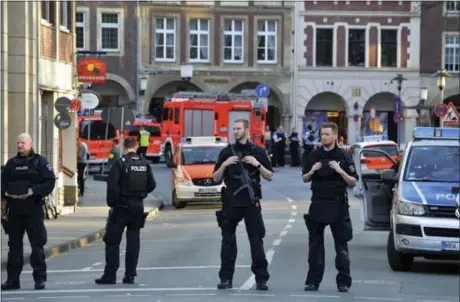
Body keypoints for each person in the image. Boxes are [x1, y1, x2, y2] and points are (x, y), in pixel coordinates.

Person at [214, 118, 274, 291]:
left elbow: (269, 176)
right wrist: (225, 164)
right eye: (234, 129)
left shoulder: (258, 151)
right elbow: (216, 178)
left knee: (256, 240)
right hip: (231, 202)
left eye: (238, 128)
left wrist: (257, 164)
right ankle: (225, 278)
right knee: (227, 241)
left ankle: (261, 279)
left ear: (247, 130)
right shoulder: (226, 152)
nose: (235, 131)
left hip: (251, 202)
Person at [301, 122, 358, 293]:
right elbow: (305, 178)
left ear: (334, 136)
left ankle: (343, 282)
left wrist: (340, 170)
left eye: (327, 134)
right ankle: (313, 281)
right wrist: (311, 171)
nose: (324, 137)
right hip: (318, 203)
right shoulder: (314, 154)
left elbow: (353, 181)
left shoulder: (343, 155)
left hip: (338, 204)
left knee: (341, 246)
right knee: (315, 246)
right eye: (322, 134)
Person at [95, 137, 156, 285]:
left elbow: (113, 186)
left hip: (121, 207)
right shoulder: (144, 163)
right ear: (135, 147)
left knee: (112, 240)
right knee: (133, 240)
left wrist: (112, 203)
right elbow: (152, 184)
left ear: (124, 146)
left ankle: (110, 275)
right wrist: (141, 195)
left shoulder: (119, 163)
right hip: (137, 207)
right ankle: (130, 275)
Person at [1, 133, 56, 290]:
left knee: (37, 246)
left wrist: (33, 191)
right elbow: (1, 184)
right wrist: (7, 194)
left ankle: (39, 279)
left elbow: (50, 181)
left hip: (33, 209)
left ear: (30, 143)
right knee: (14, 248)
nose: (20, 146)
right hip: (14, 211)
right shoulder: (11, 164)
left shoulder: (39, 162)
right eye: (18, 143)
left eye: (23, 143)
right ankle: (12, 280)